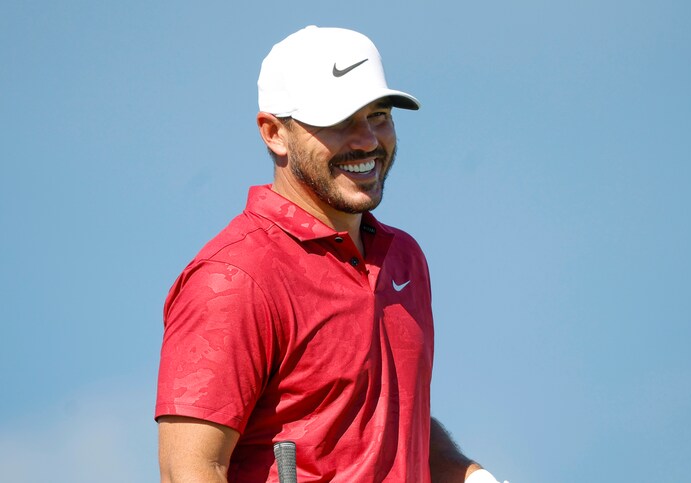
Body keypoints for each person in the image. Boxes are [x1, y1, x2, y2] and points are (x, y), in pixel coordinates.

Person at [155, 26, 506, 483]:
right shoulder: (234, 276)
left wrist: (472, 477)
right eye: (339, 121)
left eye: (378, 115)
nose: (366, 141)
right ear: (274, 133)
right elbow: (190, 469)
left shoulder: (404, 258)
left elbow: (387, 424)